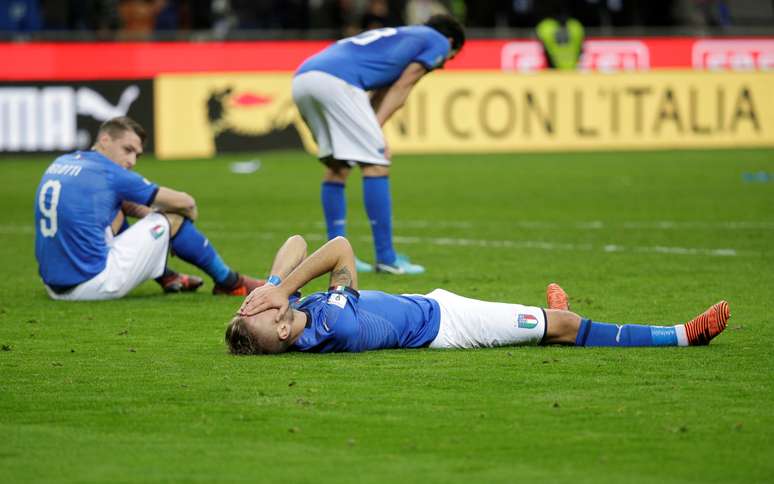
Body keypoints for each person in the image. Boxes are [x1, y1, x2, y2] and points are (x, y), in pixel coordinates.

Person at [225, 235, 730, 355]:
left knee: (551, 322)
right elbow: (338, 248)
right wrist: (282, 290)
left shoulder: (302, 316)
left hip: (433, 302)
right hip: (450, 327)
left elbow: (295, 241)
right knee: (567, 330)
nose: (273, 312)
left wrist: (269, 288)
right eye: (270, 318)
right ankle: (684, 335)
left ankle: (550, 316)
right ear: (284, 330)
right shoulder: (336, 324)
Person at [291, 14, 466, 275]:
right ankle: (387, 258)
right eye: (451, 57)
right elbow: (403, 86)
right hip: (338, 83)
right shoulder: (438, 41)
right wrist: (376, 131)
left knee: (338, 165)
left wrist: (371, 127)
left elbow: (383, 89)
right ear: (450, 41)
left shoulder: (401, 36)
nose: (442, 64)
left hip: (304, 78)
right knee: (376, 162)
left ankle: (333, 254)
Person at [34, 116, 264, 301]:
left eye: (137, 155)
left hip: (53, 287)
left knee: (120, 208)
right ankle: (231, 283)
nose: (132, 161)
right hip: (91, 283)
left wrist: (153, 222)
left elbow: (120, 203)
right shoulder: (111, 173)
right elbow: (186, 202)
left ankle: (168, 277)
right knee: (172, 219)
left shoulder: (63, 162)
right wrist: (180, 221)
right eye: (127, 149)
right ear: (104, 140)